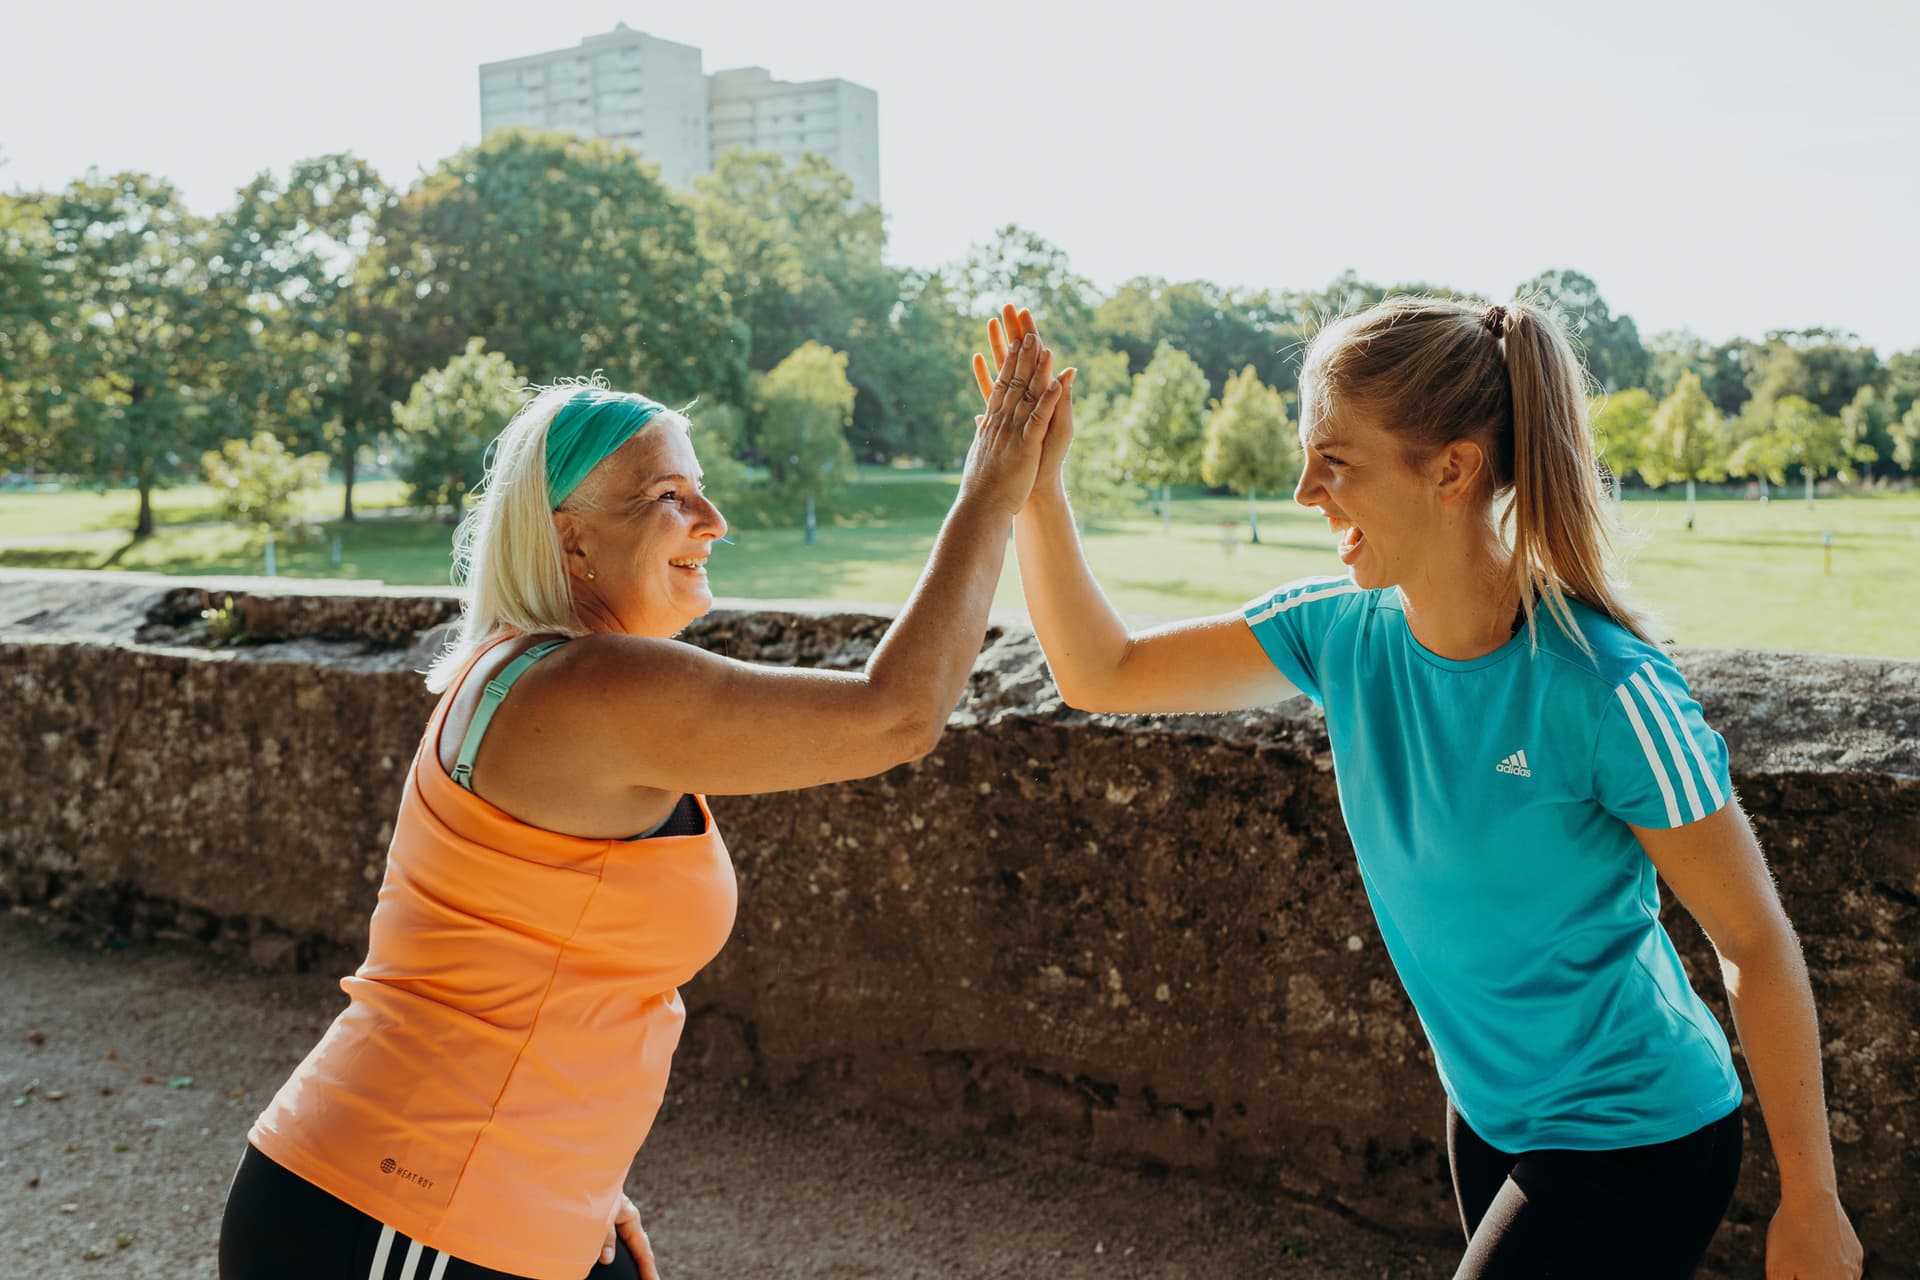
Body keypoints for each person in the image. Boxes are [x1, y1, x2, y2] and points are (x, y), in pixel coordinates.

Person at [974, 300, 1864, 1279]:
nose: (1305, 489)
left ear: (1450, 467)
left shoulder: (1605, 689)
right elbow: (1103, 672)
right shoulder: (1340, 632)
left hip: (1637, 1130)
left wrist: (1812, 1199)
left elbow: (1754, 940)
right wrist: (1036, 491)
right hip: (1487, 1112)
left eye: (1337, 460)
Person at [218, 334, 1066, 1280]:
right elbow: (896, 715)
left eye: (699, 488)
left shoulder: (534, 675)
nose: (712, 519)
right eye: (668, 497)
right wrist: (991, 492)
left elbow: (532, 973)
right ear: (571, 537)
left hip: (448, 1194)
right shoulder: (587, 687)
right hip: (402, 1213)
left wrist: (582, 1188)